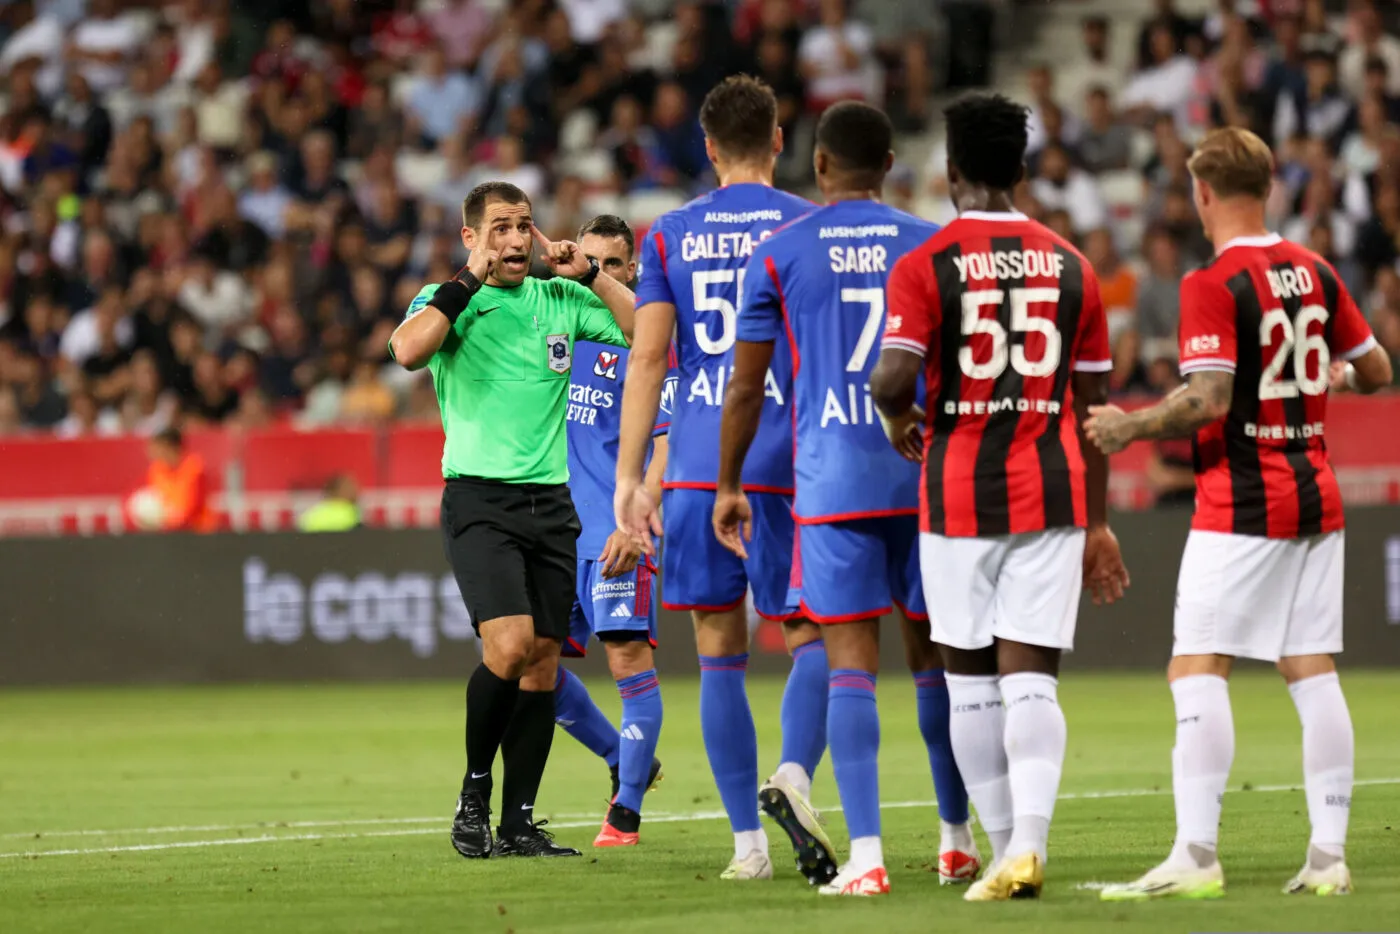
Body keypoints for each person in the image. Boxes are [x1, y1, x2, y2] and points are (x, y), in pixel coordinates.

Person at [1088, 127, 1393, 901]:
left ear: (1202, 193)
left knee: (1196, 665)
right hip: (1316, 494)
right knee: (1311, 667)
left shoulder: (1211, 283)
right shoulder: (1316, 269)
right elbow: (1377, 368)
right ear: (1269, 189)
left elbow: (1208, 400)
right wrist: (1327, 382)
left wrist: (1129, 425)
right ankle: (1329, 857)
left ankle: (1196, 855)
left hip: (1243, 498)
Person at [870, 92, 1130, 902]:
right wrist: (1100, 521)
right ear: (1020, 171)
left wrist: (896, 418)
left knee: (970, 684)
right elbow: (1095, 415)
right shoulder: (1072, 266)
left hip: (957, 491)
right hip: (1051, 490)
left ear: (950, 174)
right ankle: (1030, 846)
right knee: (1032, 680)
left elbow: (891, 377)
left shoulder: (926, 262)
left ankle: (1005, 851)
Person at [714, 101, 976, 897]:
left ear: (820, 167)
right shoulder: (932, 245)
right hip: (922, 478)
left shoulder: (780, 252)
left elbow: (747, 388)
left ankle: (867, 858)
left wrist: (729, 483)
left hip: (830, 485)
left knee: (850, 665)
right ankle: (957, 840)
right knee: (937, 665)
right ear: (892, 163)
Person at [613, 75, 833, 884]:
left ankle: (748, 847)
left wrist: (632, 476)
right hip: (791, 457)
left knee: (717, 650)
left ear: (706, 147)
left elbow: (647, 358)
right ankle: (796, 776)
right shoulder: (812, 226)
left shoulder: (668, 234)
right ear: (779, 139)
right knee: (812, 632)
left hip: (701, 460)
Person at [388, 181, 636, 860]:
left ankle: (519, 821)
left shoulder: (560, 297)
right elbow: (408, 352)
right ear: (471, 238)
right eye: (499, 227)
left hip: (550, 505)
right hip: (480, 501)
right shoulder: (450, 302)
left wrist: (588, 272)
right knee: (508, 648)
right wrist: (466, 282)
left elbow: (647, 333)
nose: (516, 239)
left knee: (543, 667)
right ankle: (474, 792)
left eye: (523, 225)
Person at [551, 214, 672, 847]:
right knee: (527, 669)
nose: (589, 273)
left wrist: (635, 519)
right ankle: (624, 761)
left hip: (613, 535)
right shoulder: (552, 329)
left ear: (630, 271)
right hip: (550, 535)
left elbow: (668, 443)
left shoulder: (645, 346)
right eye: (582, 259)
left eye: (608, 264)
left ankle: (624, 811)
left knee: (627, 662)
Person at [141, 427, 217, 533]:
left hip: (198, 532)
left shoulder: (194, 467)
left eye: (156, 447)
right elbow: (158, 500)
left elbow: (194, 508)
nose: (151, 451)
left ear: (170, 446)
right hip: (170, 532)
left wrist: (168, 519)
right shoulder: (156, 471)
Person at [296, 474, 361, 532]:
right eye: (348, 487)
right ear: (336, 490)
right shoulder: (352, 513)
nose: (355, 491)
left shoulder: (311, 514)